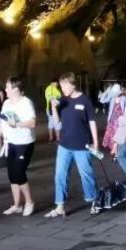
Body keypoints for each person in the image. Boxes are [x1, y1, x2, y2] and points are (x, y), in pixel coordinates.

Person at [45, 72, 99, 218]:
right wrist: (54, 108)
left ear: (72, 84)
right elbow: (57, 124)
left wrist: (96, 142)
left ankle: (94, 200)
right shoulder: (63, 100)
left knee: (86, 174)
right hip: (64, 145)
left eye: (64, 85)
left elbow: (92, 122)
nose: (62, 89)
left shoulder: (85, 100)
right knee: (60, 175)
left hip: (82, 145)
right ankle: (60, 206)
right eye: (61, 86)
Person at [0, 76, 37, 216]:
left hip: (24, 143)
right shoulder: (6, 103)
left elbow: (32, 122)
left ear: (16, 89)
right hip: (10, 142)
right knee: (12, 175)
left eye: (7, 87)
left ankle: (29, 202)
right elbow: (2, 121)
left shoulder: (25, 103)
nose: (5, 89)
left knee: (19, 173)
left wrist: (16, 124)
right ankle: (17, 204)